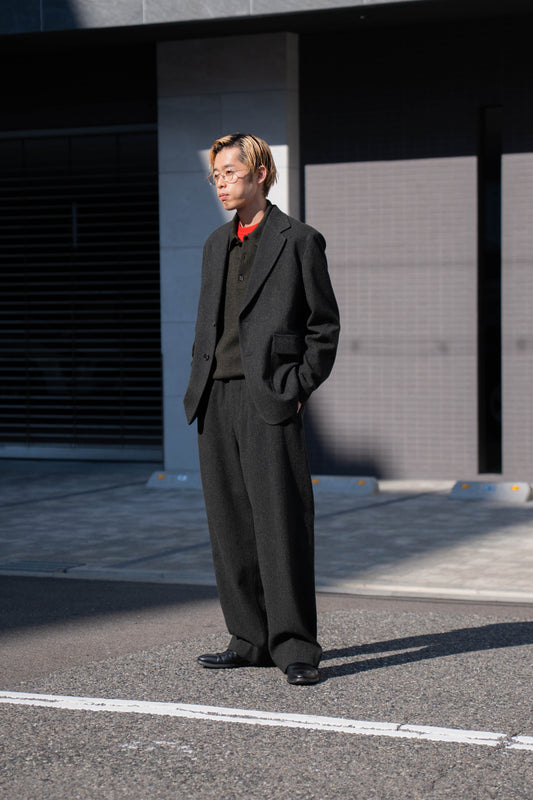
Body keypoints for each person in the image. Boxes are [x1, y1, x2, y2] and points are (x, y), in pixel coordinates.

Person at [183, 133, 340, 685]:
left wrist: (297, 386)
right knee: (230, 526)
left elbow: (323, 326)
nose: (221, 183)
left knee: (281, 523)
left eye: (230, 172)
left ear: (260, 173)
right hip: (214, 398)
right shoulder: (214, 244)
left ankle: (295, 646)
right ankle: (248, 638)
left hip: (268, 396)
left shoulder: (299, 240)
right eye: (216, 176)